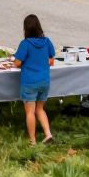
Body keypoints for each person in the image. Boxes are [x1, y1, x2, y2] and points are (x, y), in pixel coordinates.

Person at [14, 14, 56, 145]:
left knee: (30, 112)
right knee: (40, 109)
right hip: (44, 81)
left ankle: (32, 140)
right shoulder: (47, 41)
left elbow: (17, 63)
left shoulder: (25, 44)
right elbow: (51, 59)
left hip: (29, 82)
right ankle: (48, 133)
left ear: (25, 29)